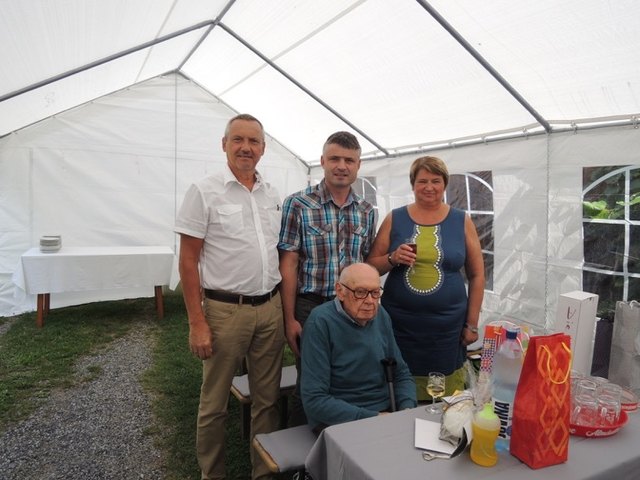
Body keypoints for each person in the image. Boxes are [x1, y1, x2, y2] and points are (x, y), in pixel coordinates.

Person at [175, 113, 285, 480]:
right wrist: (197, 322)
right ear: (224, 145)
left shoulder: (272, 194)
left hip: (270, 308)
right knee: (214, 403)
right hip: (225, 312)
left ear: (263, 149)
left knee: (267, 401)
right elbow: (188, 262)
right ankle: (212, 473)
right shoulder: (204, 191)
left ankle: (262, 472)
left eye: (254, 141)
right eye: (238, 140)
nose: (246, 148)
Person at [278, 131, 378, 426]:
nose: (342, 166)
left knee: (349, 377)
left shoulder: (367, 211)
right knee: (310, 382)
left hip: (351, 307)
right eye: (335, 158)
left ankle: (340, 446)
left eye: (349, 160)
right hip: (311, 307)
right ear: (322, 161)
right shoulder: (298, 204)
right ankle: (300, 462)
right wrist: (289, 319)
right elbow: (288, 264)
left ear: (358, 165)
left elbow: (366, 262)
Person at [367, 156, 485, 400]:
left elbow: (477, 274)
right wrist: (392, 258)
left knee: (444, 394)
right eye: (422, 181)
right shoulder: (395, 218)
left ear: (445, 184)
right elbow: (371, 266)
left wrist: (472, 324)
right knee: (398, 385)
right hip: (400, 326)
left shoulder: (461, 220)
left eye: (435, 180)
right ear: (412, 184)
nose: (429, 187)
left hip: (447, 328)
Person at [300, 263, 417, 432]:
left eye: (375, 293)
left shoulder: (381, 315)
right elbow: (315, 400)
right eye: (360, 292)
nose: (370, 301)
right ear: (340, 291)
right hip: (339, 420)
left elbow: (401, 373)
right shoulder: (320, 322)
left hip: (384, 413)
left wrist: (406, 409)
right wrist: (373, 419)